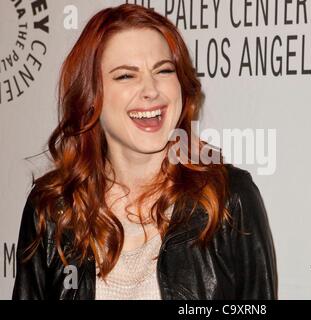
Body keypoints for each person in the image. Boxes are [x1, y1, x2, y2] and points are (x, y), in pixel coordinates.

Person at [12, 4, 277, 300]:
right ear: (90, 95)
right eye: (126, 76)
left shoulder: (229, 198)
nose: (151, 90)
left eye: (164, 70)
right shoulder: (52, 208)